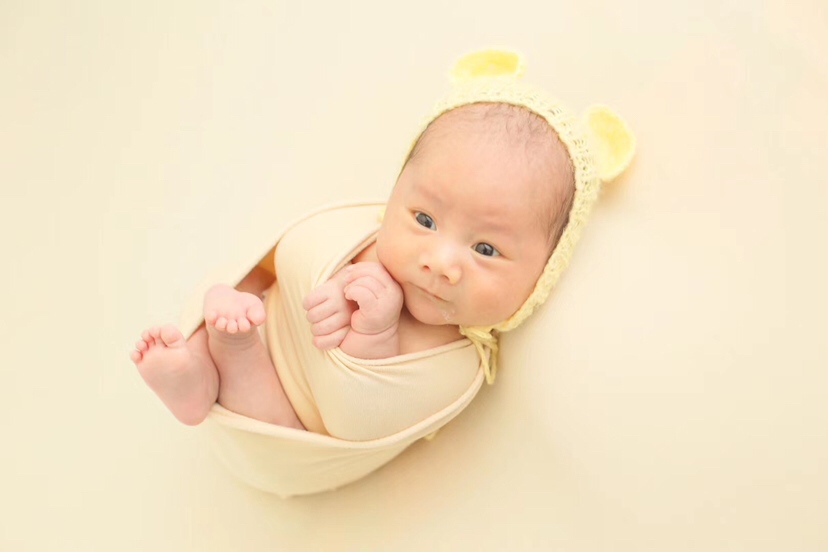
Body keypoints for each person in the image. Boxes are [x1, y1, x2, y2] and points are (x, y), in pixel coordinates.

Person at [129, 50, 635, 495]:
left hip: (286, 422)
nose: (440, 262)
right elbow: (291, 256)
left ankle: (229, 352)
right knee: (237, 292)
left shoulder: (454, 360)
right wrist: (327, 280)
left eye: (486, 249)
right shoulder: (367, 239)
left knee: (256, 370)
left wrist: (372, 335)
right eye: (425, 220)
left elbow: (359, 419)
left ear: (545, 273)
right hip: (263, 317)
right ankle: (195, 370)